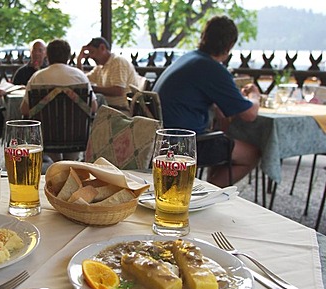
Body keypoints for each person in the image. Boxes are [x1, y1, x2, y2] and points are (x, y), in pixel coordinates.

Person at [152, 15, 261, 188]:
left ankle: (204, 190)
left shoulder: (189, 58)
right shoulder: (212, 68)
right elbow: (249, 115)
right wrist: (255, 96)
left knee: (225, 141)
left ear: (204, 36)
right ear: (230, 45)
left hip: (159, 139)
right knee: (252, 153)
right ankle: (209, 193)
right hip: (186, 144)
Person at [20, 39, 97, 161]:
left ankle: (56, 164)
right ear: (68, 56)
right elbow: (93, 107)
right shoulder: (80, 76)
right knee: (71, 155)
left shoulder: (37, 77)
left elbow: (24, 110)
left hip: (46, 137)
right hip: (75, 137)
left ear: (48, 56)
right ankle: (69, 165)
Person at [77, 37, 139, 115]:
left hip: (120, 110)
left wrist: (93, 88)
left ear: (102, 48)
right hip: (107, 107)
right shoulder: (100, 67)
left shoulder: (118, 62)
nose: (90, 56)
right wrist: (79, 60)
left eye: (92, 52)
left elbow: (118, 91)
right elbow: (82, 80)